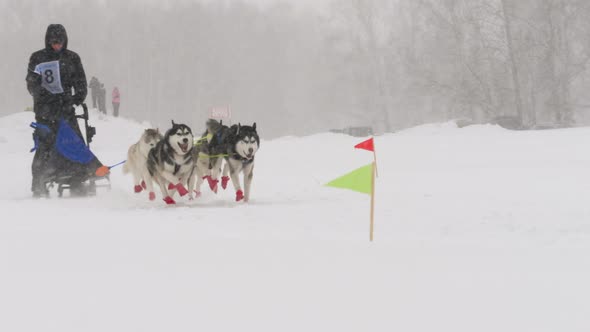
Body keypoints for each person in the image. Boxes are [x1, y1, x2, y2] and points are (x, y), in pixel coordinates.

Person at [25, 24, 104, 197]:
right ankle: (39, 183)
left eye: (60, 42)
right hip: (45, 112)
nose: (57, 46)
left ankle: (76, 178)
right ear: (48, 41)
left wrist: (76, 99)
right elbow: (32, 84)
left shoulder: (72, 58)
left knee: (72, 143)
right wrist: (48, 98)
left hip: (66, 110)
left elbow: (81, 83)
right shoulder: (37, 58)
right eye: (53, 42)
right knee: (45, 146)